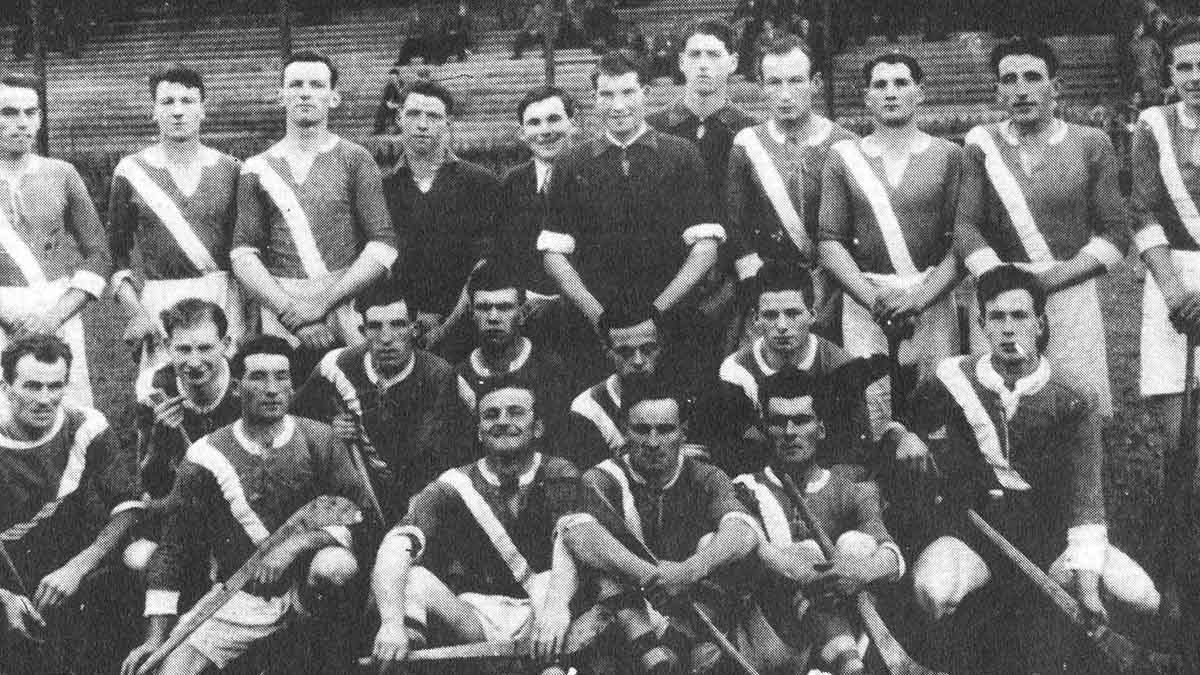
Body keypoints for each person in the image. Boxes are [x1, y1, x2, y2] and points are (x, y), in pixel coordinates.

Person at [908, 266, 1159, 673]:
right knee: (932, 588)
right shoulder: (951, 377)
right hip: (978, 532)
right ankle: (959, 656)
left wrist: (1087, 589)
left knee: (1141, 596)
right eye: (997, 317)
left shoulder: (1074, 395)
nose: (1008, 329)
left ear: (1040, 324)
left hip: (1052, 536)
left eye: (1020, 316)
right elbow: (910, 418)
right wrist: (906, 436)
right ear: (982, 324)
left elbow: (1086, 501)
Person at [124, 336, 381, 675]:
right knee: (173, 669)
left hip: (310, 590)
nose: (272, 389)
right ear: (236, 387)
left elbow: (364, 520)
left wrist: (297, 544)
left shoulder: (320, 439)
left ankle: (327, 657)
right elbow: (174, 548)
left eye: (282, 377)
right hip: (244, 595)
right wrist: (155, 638)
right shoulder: (205, 455)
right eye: (258, 377)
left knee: (335, 565)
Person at [955, 36, 1129, 419]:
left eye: (1033, 77)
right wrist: (1002, 281)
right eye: (1009, 79)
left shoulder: (1091, 142)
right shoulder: (981, 144)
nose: (1021, 90)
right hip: (1001, 294)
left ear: (1055, 86)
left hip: (1069, 290)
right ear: (998, 91)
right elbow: (966, 227)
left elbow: (1117, 234)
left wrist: (1046, 282)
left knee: (1075, 405)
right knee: (999, 408)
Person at [369, 378, 588, 675]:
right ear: (479, 432)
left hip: (546, 612)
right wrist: (391, 623)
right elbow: (396, 545)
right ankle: (404, 659)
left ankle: (552, 668)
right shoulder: (454, 484)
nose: (503, 421)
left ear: (537, 427)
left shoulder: (559, 473)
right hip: (476, 619)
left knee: (545, 581)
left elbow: (572, 543)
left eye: (515, 412)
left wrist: (556, 609)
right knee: (413, 578)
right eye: (491, 415)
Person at [540, 49, 723, 382]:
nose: (618, 105)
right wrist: (599, 317)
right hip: (595, 327)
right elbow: (554, 254)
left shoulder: (682, 155)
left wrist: (657, 312)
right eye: (606, 95)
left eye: (627, 92)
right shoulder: (571, 162)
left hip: (671, 322)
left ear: (646, 93)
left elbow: (705, 248)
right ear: (594, 98)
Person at [559, 377, 761, 673]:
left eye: (665, 430)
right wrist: (654, 576)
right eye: (642, 430)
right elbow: (579, 535)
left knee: (718, 549)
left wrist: (687, 571)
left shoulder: (705, 476)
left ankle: (671, 651)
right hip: (626, 614)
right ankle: (658, 656)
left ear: (683, 433)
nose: (653, 443)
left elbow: (742, 531)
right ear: (624, 430)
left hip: (690, 609)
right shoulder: (602, 479)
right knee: (604, 572)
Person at [818, 52, 961, 435]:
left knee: (935, 404)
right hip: (867, 298)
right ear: (866, 97)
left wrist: (920, 298)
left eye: (901, 83)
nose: (891, 92)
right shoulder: (844, 157)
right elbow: (829, 241)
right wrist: (871, 298)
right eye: (880, 85)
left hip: (929, 296)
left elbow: (961, 242)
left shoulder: (948, 155)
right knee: (872, 409)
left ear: (920, 92)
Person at [733, 368, 904, 675]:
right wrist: (806, 571)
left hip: (847, 629)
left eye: (801, 421)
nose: (789, 432)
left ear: (821, 429)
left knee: (857, 545)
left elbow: (892, 558)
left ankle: (846, 663)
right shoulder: (745, 489)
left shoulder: (851, 490)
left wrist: (856, 572)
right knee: (800, 553)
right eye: (778, 422)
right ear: (765, 429)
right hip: (775, 642)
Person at [231, 51, 397, 364]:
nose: (305, 93)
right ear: (281, 95)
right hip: (282, 307)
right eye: (296, 84)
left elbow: (383, 245)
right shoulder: (256, 167)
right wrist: (290, 311)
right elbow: (243, 254)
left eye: (316, 85)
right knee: (282, 388)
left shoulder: (356, 159)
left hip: (344, 302)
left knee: (351, 387)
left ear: (334, 97)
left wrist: (322, 304)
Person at [0, 335, 144, 674]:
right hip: (9, 580)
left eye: (55, 386)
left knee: (130, 575)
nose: (45, 399)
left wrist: (77, 568)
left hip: (67, 572)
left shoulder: (85, 427)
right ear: (6, 387)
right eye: (32, 386)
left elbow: (127, 508)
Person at [719, 262, 924, 474]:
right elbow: (736, 454)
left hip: (826, 477)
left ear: (812, 315)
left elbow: (852, 457)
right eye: (770, 315)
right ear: (755, 319)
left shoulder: (840, 366)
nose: (782, 326)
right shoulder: (736, 371)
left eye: (793, 314)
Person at [293, 281, 468, 521]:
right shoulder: (336, 366)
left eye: (397, 325)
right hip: (358, 497)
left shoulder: (437, 376)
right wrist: (328, 432)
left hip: (421, 498)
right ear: (362, 331)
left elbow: (435, 456)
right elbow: (294, 423)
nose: (386, 338)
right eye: (375, 327)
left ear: (414, 329)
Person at [108, 67, 245, 372]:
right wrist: (135, 311)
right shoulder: (131, 171)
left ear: (203, 110)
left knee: (225, 385)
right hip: (162, 298)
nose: (178, 111)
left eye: (188, 101)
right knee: (164, 387)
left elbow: (247, 249)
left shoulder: (231, 169)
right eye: (167, 102)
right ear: (153, 111)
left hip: (222, 294)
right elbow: (115, 255)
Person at [725, 35, 857, 338]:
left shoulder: (845, 143)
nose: (785, 94)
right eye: (774, 83)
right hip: (769, 288)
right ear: (761, 86)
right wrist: (756, 280)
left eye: (796, 81)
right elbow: (734, 221)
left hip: (833, 285)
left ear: (816, 82)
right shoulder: (748, 144)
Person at [648, 19, 756, 370]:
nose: (703, 65)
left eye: (713, 55)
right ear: (681, 62)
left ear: (733, 62)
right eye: (694, 55)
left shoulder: (750, 131)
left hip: (731, 276)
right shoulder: (653, 129)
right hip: (665, 272)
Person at [0, 75, 111, 409]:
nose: (22, 123)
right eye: (8, 113)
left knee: (64, 409)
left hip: (56, 309)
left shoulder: (62, 174)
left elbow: (99, 254)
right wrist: (8, 317)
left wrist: (55, 317)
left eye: (31, 112)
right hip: (2, 312)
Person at [383, 80, 501, 361]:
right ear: (399, 119)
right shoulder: (382, 187)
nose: (422, 125)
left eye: (433, 116)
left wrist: (447, 327)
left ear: (448, 123)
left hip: (468, 329)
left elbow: (485, 264)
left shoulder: (481, 182)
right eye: (413, 114)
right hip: (399, 332)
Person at [133, 298, 240, 501]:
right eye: (183, 349)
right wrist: (159, 443)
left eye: (205, 348)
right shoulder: (154, 389)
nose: (194, 362)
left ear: (225, 345)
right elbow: (150, 486)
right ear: (168, 346)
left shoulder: (245, 381)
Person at [455, 261, 572, 443]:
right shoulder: (459, 377)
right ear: (472, 313)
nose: (493, 317)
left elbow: (558, 441)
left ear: (522, 313)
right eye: (484, 308)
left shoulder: (549, 368)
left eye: (504, 307)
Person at [565, 301, 665, 469]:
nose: (638, 361)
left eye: (647, 349)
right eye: (625, 352)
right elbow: (594, 479)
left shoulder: (684, 396)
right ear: (608, 352)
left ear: (661, 347)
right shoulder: (589, 409)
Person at [373, 68, 404, 135]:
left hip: (404, 105)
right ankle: (379, 128)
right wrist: (388, 103)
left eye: (394, 78)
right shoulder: (389, 86)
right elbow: (384, 98)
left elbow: (407, 97)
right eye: (391, 78)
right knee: (382, 108)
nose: (392, 80)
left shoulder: (404, 86)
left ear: (398, 77)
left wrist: (399, 105)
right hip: (394, 106)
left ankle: (398, 128)